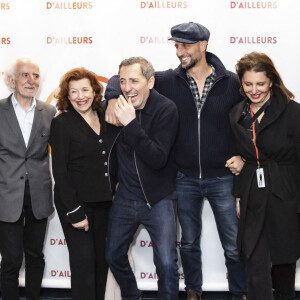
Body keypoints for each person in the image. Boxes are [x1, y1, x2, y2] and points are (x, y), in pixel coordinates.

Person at [105, 22, 247, 300]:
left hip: (222, 177)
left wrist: (243, 155)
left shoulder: (230, 82)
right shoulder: (168, 79)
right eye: (177, 45)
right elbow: (122, 78)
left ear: (203, 46)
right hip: (183, 177)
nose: (180, 51)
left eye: (186, 46)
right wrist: (112, 96)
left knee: (232, 244)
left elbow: (247, 118)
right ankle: (193, 289)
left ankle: (240, 292)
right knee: (189, 243)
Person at [105, 56, 179, 300]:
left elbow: (158, 158)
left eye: (134, 81)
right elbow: (103, 88)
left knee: (167, 264)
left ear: (150, 82)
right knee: (113, 255)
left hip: (158, 198)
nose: (128, 87)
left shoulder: (165, 109)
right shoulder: (118, 104)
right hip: (125, 196)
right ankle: (132, 296)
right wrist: (111, 96)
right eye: (124, 81)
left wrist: (131, 124)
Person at [228, 52, 300, 300]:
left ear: (271, 81)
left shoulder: (292, 112)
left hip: (284, 194)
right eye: (248, 84)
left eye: (260, 83)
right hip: (252, 194)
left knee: (283, 267)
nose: (254, 90)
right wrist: (238, 193)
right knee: (255, 266)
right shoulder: (237, 113)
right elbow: (241, 152)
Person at [50, 68, 112, 300]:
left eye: (85, 89)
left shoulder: (106, 113)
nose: (80, 96)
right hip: (77, 205)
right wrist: (75, 212)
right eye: (73, 91)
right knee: (83, 265)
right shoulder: (62, 123)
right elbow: (60, 171)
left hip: (105, 204)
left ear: (95, 90)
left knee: (101, 263)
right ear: (67, 95)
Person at [0, 58, 56, 300]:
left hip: (39, 196)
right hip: (6, 196)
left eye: (35, 76)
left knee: (35, 255)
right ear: (12, 80)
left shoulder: (50, 112)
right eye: (24, 75)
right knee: (11, 259)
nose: (31, 80)